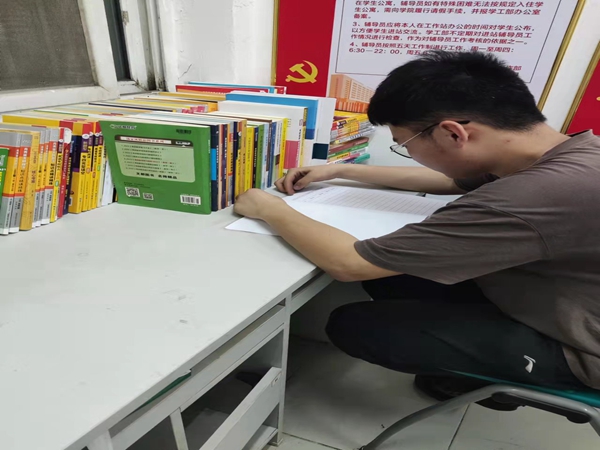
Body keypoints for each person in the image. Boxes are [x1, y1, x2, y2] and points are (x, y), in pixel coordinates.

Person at [233, 50, 600, 410]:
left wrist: (268, 208)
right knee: (395, 278)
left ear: (452, 133)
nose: (408, 153)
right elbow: (454, 182)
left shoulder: (531, 195)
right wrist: (342, 170)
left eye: (405, 145)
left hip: (581, 349)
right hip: (561, 297)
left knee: (357, 325)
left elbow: (349, 263)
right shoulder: (572, 153)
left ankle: (502, 378)